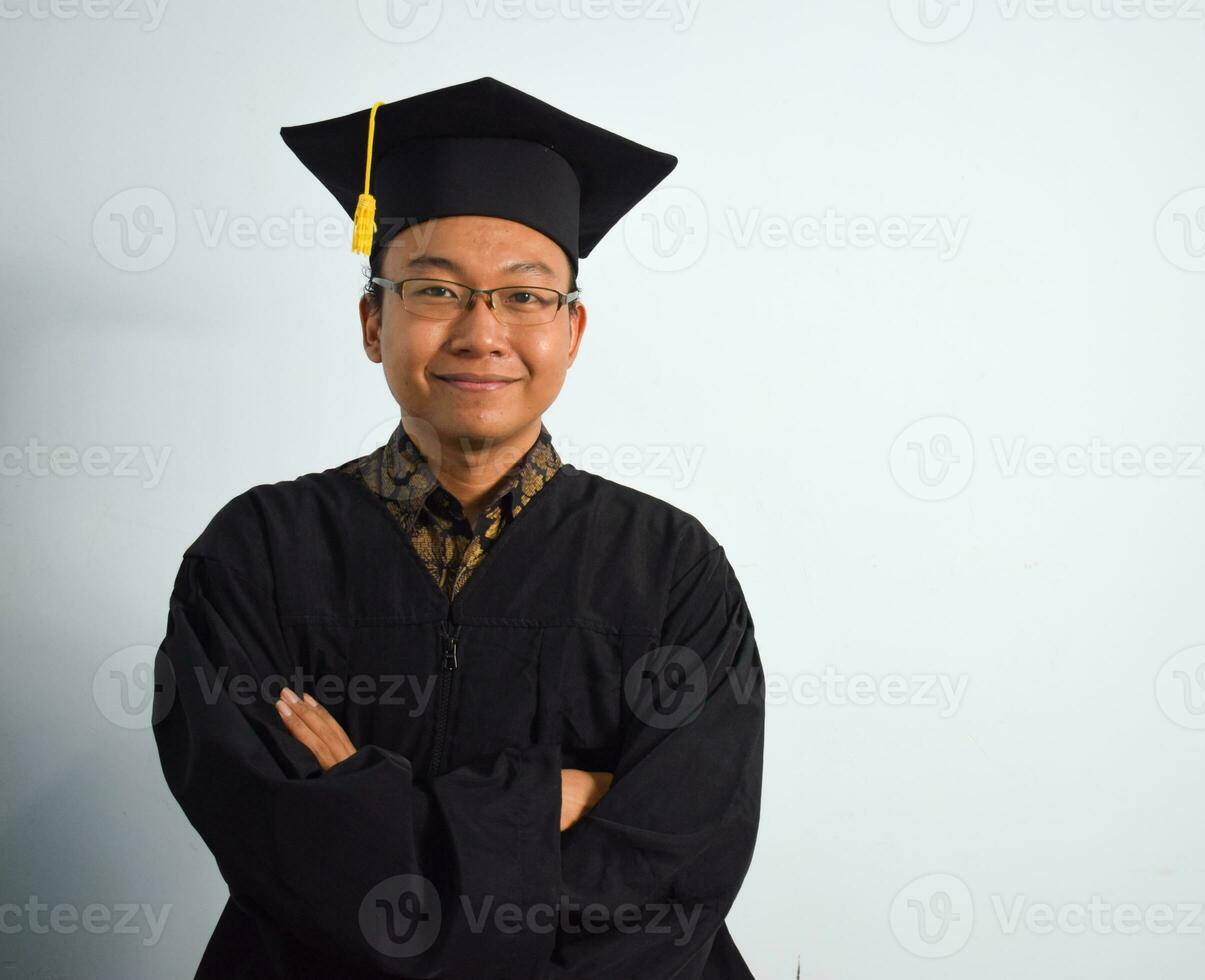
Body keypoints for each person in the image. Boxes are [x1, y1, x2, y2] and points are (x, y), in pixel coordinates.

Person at [151, 76, 765, 979]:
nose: (483, 332)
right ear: (373, 320)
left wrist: (370, 799)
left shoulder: (672, 571)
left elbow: (674, 874)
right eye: (436, 290)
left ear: (575, 329)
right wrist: (543, 803)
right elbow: (280, 847)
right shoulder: (257, 557)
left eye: (525, 297)